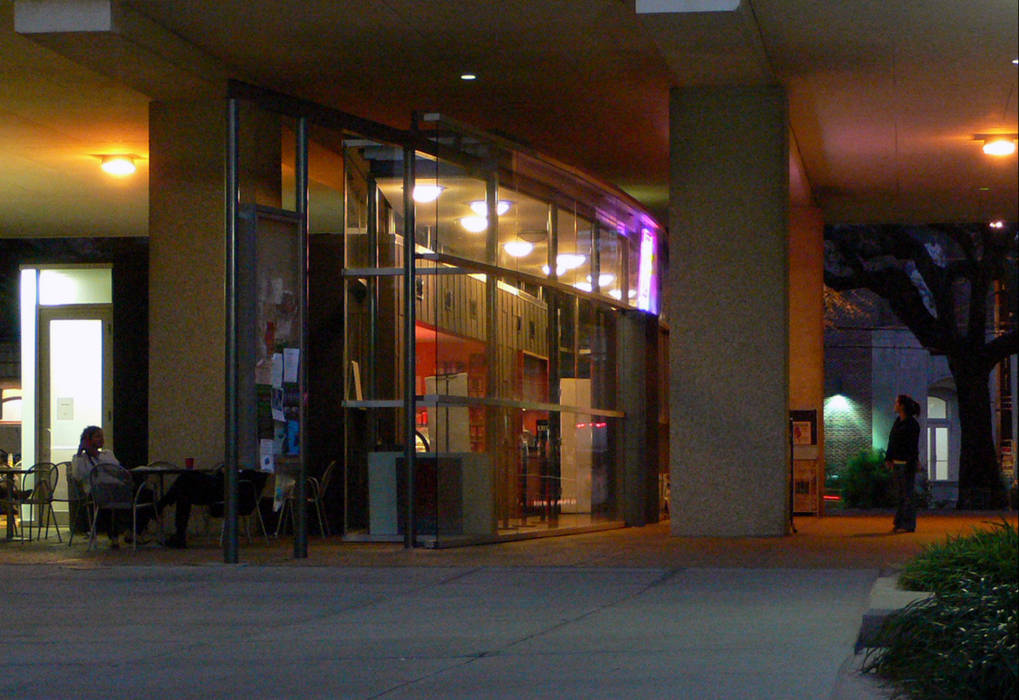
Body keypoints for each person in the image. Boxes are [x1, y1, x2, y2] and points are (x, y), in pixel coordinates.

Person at [156, 467, 268, 549]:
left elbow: (237, 486)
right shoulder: (253, 475)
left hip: (222, 495)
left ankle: (160, 506)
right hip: (220, 490)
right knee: (184, 492)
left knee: (186, 478)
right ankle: (177, 531)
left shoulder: (250, 477)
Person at [885, 394, 921, 533]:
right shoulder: (898, 422)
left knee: (907, 494)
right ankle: (900, 522)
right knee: (900, 494)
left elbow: (912, 446)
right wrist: (889, 458)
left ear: (902, 406)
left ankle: (908, 523)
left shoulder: (912, 424)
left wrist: (913, 461)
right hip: (897, 462)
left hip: (906, 463)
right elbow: (891, 441)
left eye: (897, 403)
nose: (895, 405)